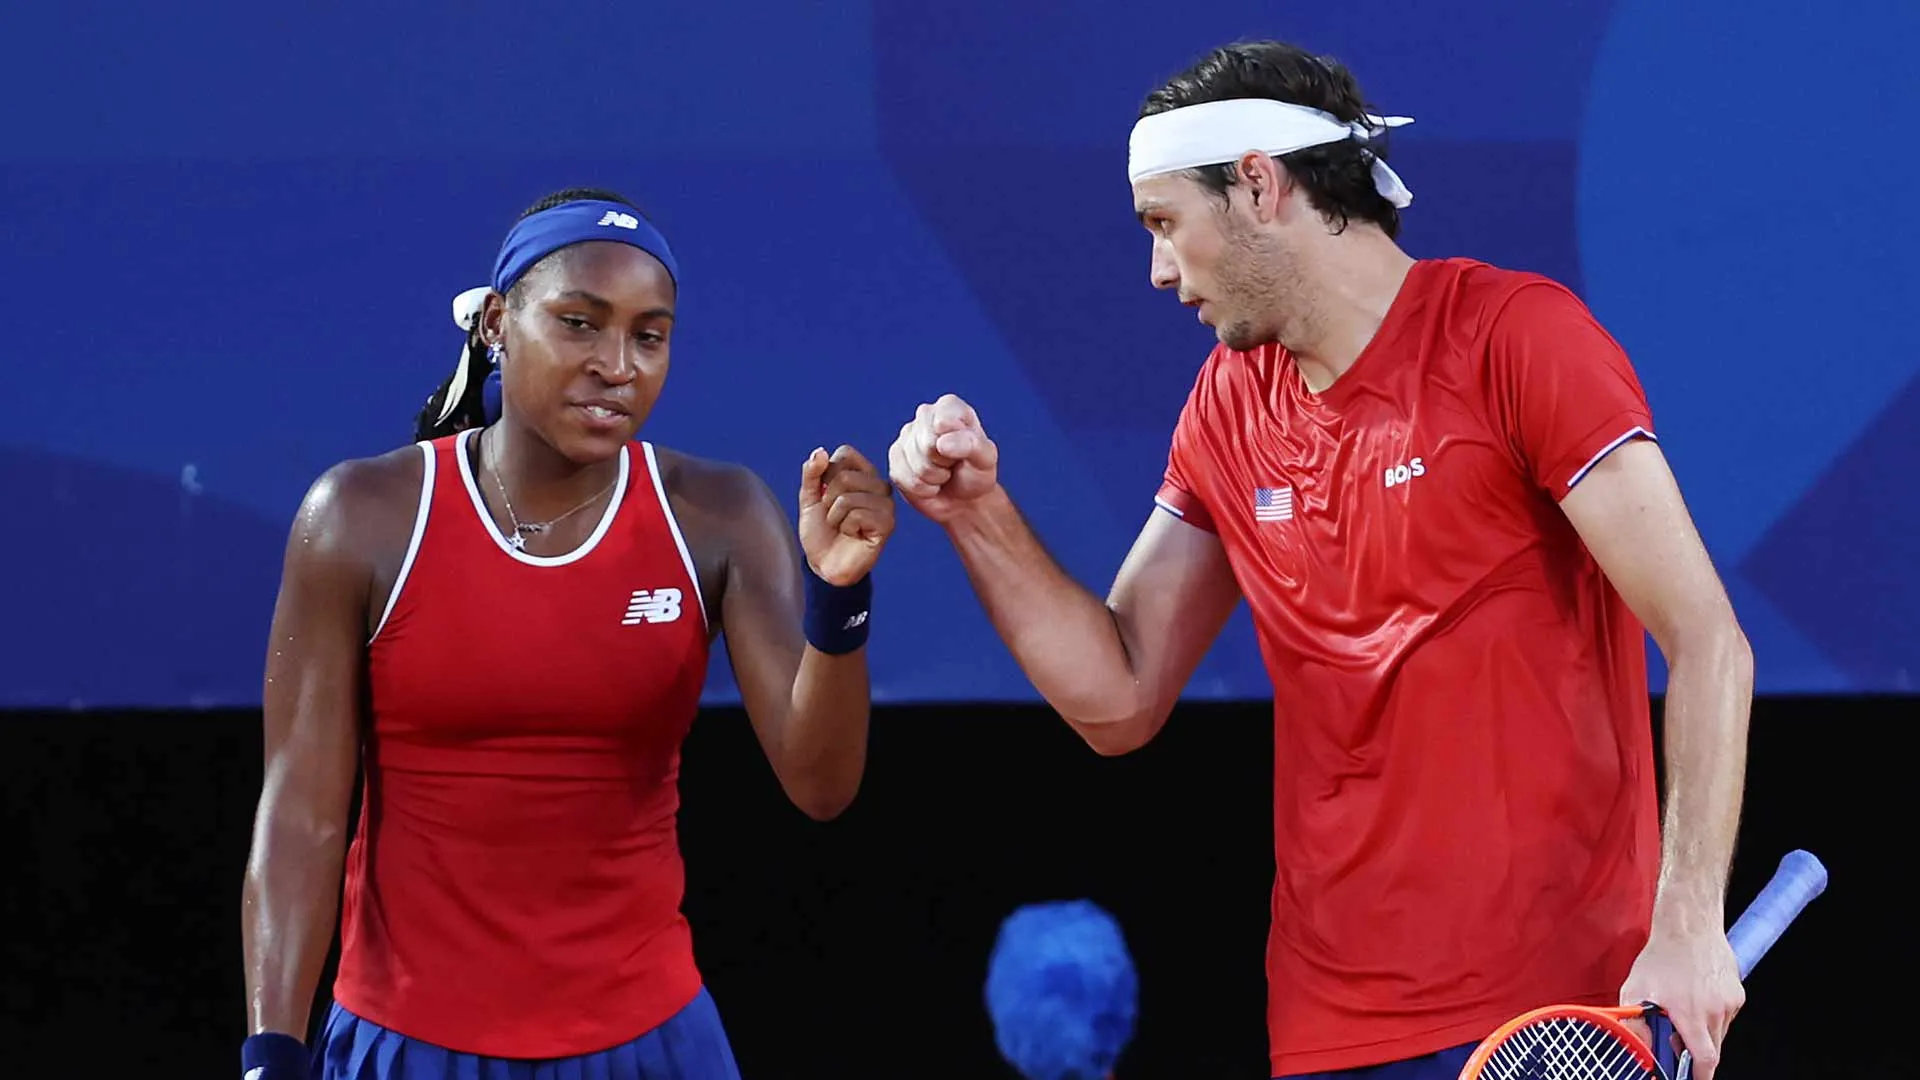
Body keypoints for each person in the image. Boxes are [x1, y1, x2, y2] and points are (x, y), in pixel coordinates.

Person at [887, 40, 1752, 1080]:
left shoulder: (1520, 341)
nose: (1158, 271)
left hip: (1553, 1011)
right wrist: (979, 515)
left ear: (1258, 183)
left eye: (1165, 224)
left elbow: (1707, 644)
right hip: (1326, 1021)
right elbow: (1117, 696)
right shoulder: (1226, 402)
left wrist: (1692, 925)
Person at [240, 187, 896, 1080]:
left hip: (650, 1043)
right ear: (499, 326)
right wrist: (271, 1052)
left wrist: (838, 600)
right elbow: (303, 817)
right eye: (580, 324)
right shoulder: (361, 515)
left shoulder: (720, 513)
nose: (617, 364)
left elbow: (820, 785)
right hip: (409, 1043)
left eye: (648, 335)